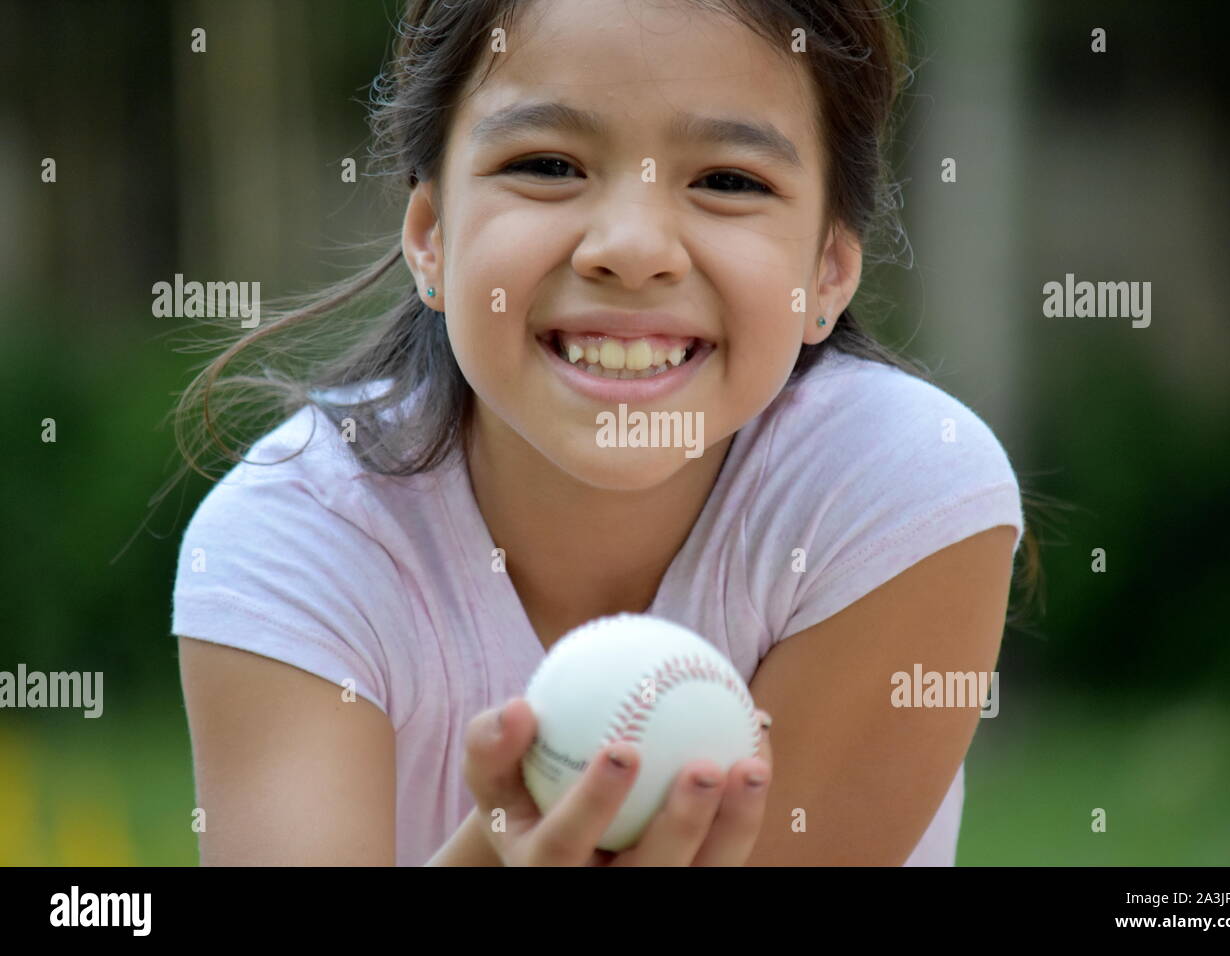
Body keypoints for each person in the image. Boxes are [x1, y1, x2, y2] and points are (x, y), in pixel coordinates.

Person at [171, 0, 1033, 866]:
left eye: (729, 181)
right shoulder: (294, 542)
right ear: (430, 238)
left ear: (829, 271)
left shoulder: (897, 487)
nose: (631, 247)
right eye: (548, 164)